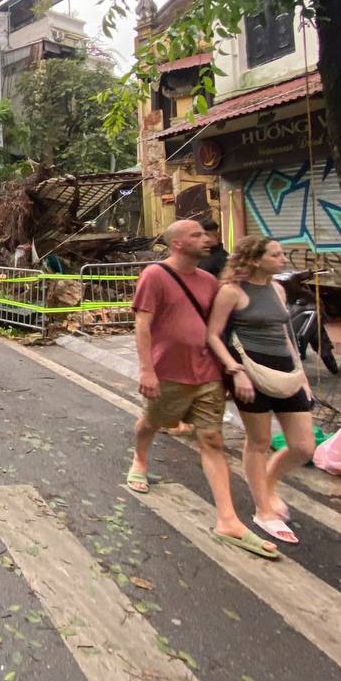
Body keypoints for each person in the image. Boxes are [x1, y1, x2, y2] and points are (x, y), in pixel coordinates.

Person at [127, 219, 279, 560]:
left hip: (207, 372)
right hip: (169, 373)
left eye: (205, 233)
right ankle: (140, 459)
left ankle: (227, 519)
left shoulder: (210, 281)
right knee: (152, 423)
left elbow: (217, 327)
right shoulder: (155, 276)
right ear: (178, 243)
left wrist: (231, 369)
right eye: (196, 235)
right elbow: (142, 325)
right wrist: (147, 369)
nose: (206, 239)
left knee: (212, 439)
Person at [208, 237, 315, 547]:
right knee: (259, 442)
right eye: (275, 254)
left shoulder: (278, 289)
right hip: (250, 373)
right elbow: (213, 335)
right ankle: (262, 509)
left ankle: (267, 484)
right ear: (254, 260)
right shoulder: (231, 292)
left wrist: (302, 375)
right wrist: (234, 370)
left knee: (304, 446)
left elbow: (286, 334)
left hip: (285, 372)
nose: (283, 259)